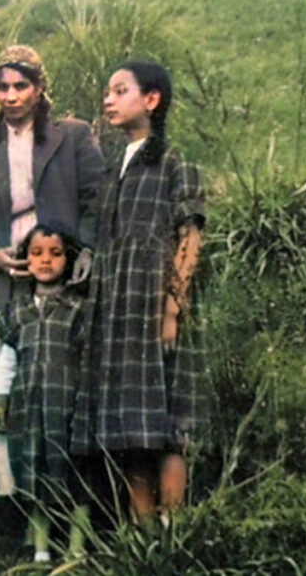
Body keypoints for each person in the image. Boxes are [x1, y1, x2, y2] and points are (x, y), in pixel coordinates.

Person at [0, 45, 104, 496]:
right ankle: (19, 498)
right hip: (8, 274)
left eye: (21, 85)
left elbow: (96, 199)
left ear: (39, 88)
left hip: (62, 270)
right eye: (2, 87)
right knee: (5, 384)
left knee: (68, 383)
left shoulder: (73, 136)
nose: (11, 95)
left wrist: (83, 252)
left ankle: (76, 498)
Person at [70, 60, 206, 528]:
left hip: (155, 304)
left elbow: (189, 235)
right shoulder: (113, 168)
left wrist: (173, 304)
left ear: (151, 100)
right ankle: (141, 536)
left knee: (167, 424)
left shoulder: (173, 162)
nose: (109, 99)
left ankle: (173, 531)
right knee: (133, 429)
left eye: (120, 90)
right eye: (107, 91)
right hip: (117, 308)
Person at [0, 223, 90, 564]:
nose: (45, 261)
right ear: (24, 260)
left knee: (76, 480)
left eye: (55, 253)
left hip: (70, 410)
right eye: (36, 253)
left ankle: (77, 549)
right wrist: (0, 399)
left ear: (69, 258)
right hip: (30, 410)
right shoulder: (17, 311)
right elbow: (7, 360)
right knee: (33, 478)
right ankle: (41, 550)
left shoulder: (78, 307)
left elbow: (90, 358)